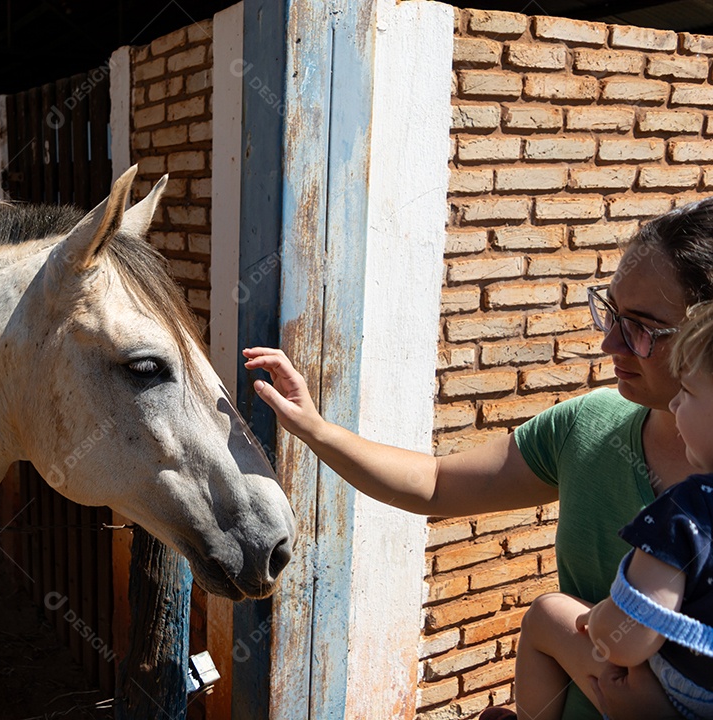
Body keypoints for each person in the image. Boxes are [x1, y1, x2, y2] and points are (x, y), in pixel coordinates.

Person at [243, 197, 713, 720]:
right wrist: (316, 429)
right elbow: (436, 485)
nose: (608, 343)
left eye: (642, 327)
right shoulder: (586, 428)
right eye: (610, 312)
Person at [513, 301, 713, 720]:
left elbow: (630, 639)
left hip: (685, 694)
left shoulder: (687, 509)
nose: (675, 406)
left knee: (547, 613)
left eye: (688, 392)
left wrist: (606, 618)